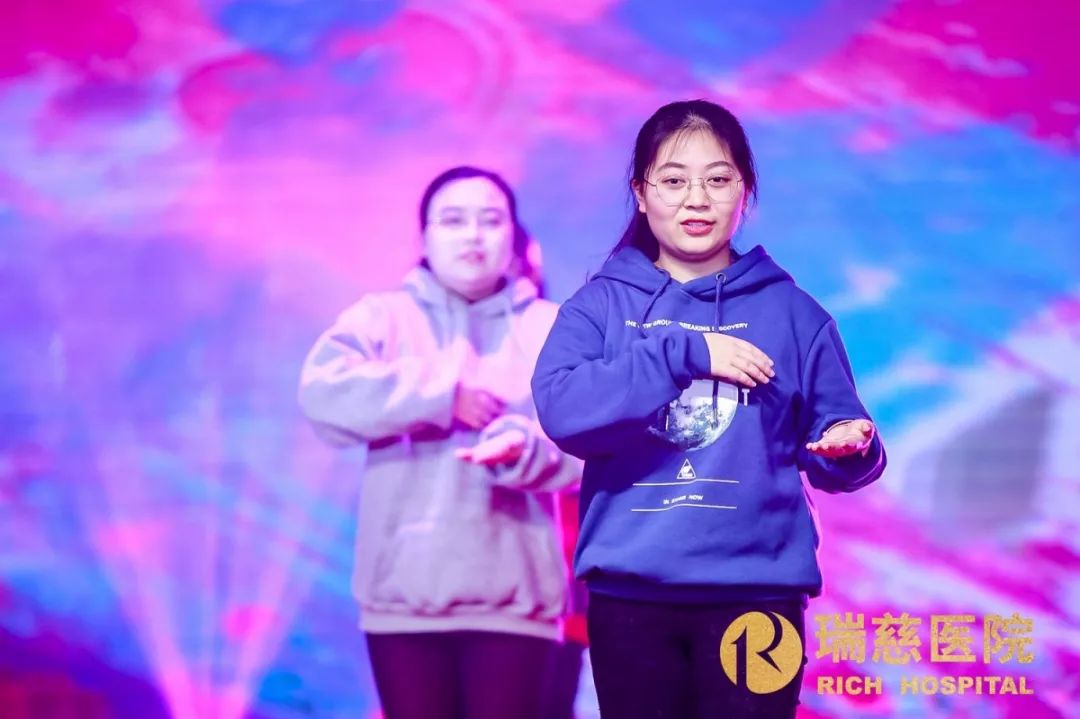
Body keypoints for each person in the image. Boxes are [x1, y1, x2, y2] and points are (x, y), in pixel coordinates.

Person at [531, 99, 887, 719]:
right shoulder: (600, 308)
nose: (696, 199)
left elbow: (838, 442)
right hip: (631, 596)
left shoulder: (794, 314)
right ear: (641, 193)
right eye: (674, 181)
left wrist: (851, 446)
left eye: (717, 180)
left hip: (759, 599)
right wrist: (686, 354)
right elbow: (564, 410)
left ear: (744, 191)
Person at [298, 166, 581, 719]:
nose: (472, 234)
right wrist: (439, 397)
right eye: (453, 220)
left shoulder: (552, 328)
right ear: (424, 238)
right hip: (404, 601)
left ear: (513, 237)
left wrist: (524, 449)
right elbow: (322, 395)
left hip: (515, 600)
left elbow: (592, 444)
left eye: (490, 220)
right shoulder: (381, 318)